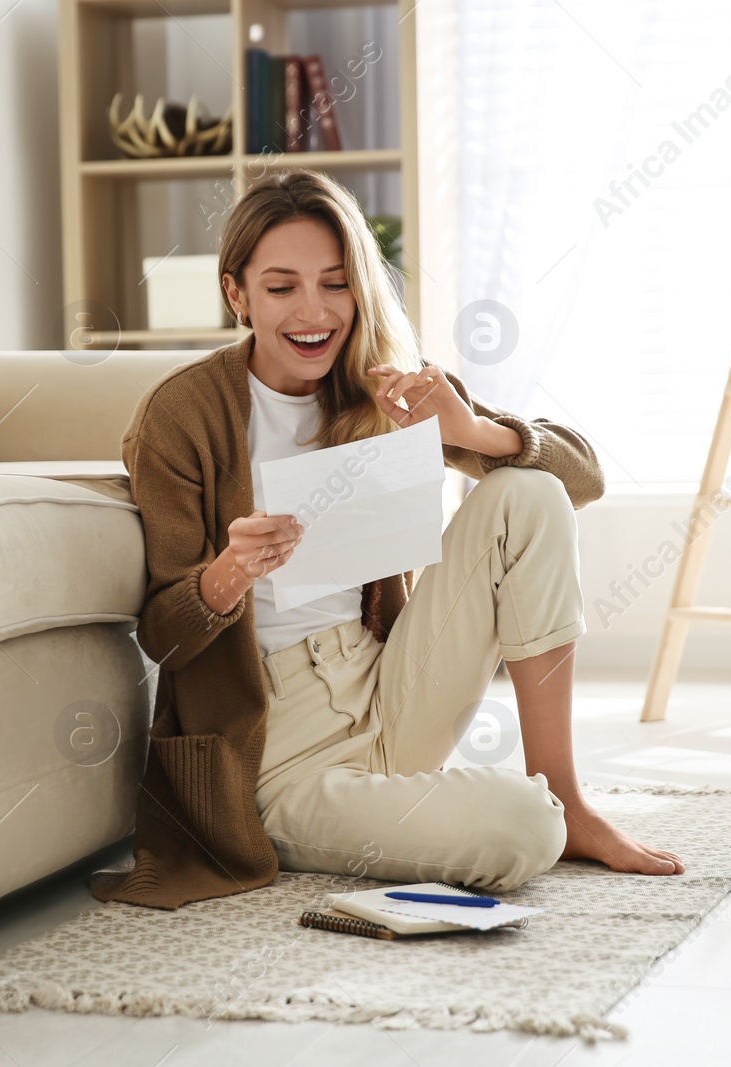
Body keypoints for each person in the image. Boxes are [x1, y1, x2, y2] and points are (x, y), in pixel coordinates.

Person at [90, 170, 682, 911]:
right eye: (281, 288)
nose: (313, 311)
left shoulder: (381, 386)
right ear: (237, 293)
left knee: (526, 492)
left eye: (334, 283)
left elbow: (581, 478)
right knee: (525, 830)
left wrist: (469, 432)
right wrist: (229, 573)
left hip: (387, 683)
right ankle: (504, 812)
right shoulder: (182, 414)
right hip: (277, 749)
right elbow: (163, 638)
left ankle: (569, 793)